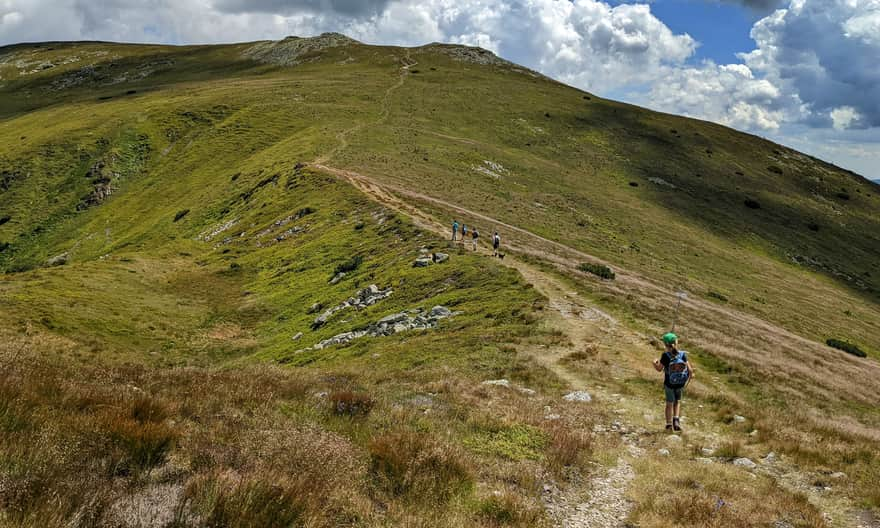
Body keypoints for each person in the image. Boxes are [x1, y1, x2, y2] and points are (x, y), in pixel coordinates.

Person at [652, 332, 694, 432]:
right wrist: (690, 376)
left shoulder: (665, 356)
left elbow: (659, 369)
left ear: (665, 344)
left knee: (669, 403)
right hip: (680, 383)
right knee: (677, 402)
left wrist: (654, 363)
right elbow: (690, 370)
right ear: (676, 342)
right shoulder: (682, 354)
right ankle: (676, 420)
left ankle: (668, 425)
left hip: (669, 384)